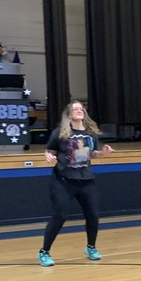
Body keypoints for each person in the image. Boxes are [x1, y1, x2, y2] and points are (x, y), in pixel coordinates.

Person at [37, 100, 114, 267]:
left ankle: (91, 247)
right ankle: (44, 252)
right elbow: (50, 150)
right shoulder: (60, 133)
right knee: (60, 216)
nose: (80, 111)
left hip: (86, 180)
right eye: (75, 109)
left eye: (81, 109)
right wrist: (48, 155)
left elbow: (91, 154)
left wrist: (103, 154)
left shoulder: (90, 133)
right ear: (69, 114)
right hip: (63, 181)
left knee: (93, 215)